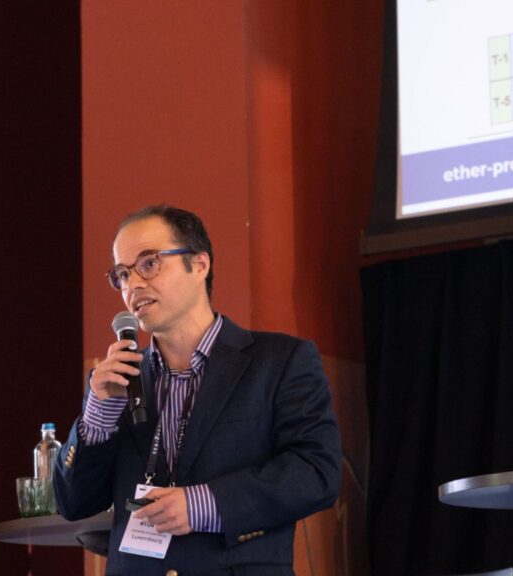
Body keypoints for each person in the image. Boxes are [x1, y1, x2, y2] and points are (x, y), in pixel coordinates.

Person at [53, 205, 342, 575]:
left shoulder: (280, 361)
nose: (133, 285)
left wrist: (202, 505)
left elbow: (316, 473)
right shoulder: (119, 382)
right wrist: (99, 412)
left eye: (149, 263)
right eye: (122, 274)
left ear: (200, 264)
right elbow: (73, 503)